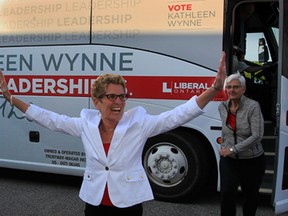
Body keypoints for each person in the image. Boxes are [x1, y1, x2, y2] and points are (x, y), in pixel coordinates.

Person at [0, 52, 226, 216]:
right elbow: (49, 119)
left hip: (127, 204)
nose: (119, 102)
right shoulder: (85, 124)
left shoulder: (139, 123)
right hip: (95, 202)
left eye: (122, 96)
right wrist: (11, 97)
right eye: (112, 97)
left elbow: (179, 114)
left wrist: (214, 89)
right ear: (97, 101)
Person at [218, 72, 266, 216]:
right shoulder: (222, 106)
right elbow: (225, 132)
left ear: (243, 89)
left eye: (236, 87)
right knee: (226, 193)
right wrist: (224, 147)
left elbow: (257, 136)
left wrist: (233, 149)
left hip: (252, 161)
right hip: (230, 161)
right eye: (229, 87)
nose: (232, 90)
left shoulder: (253, 107)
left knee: (251, 195)